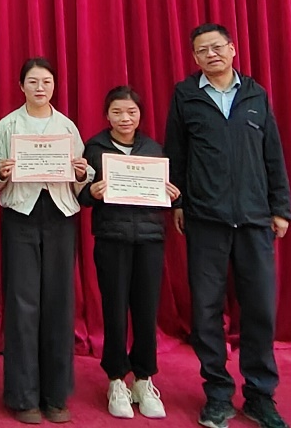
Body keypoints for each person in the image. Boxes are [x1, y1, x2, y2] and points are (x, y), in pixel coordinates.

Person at [164, 24, 291, 428]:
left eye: (217, 47)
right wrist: (179, 203)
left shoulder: (255, 95)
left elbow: (273, 154)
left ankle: (259, 395)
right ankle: (218, 394)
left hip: (255, 219)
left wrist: (281, 208)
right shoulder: (186, 95)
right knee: (206, 310)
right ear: (194, 58)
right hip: (206, 220)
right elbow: (176, 154)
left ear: (232, 49)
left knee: (259, 309)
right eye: (202, 50)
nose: (211, 54)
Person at [0, 57, 90, 425]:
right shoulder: (6, 126)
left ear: (54, 86)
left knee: (59, 303)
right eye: (32, 81)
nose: (40, 88)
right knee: (22, 304)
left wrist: (81, 172)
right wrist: (0, 169)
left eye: (46, 81)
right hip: (21, 216)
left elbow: (83, 175)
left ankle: (55, 396)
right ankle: (23, 396)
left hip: (60, 215)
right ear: (21, 86)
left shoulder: (67, 127)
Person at [79, 86, 180, 420]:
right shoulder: (95, 148)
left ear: (140, 115)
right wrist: (92, 192)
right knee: (114, 311)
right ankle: (115, 380)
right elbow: (80, 194)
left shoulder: (154, 149)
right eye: (117, 112)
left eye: (131, 112)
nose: (125, 118)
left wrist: (174, 195)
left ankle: (144, 379)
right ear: (106, 115)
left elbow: (169, 193)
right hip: (112, 239)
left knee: (146, 312)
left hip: (150, 239)